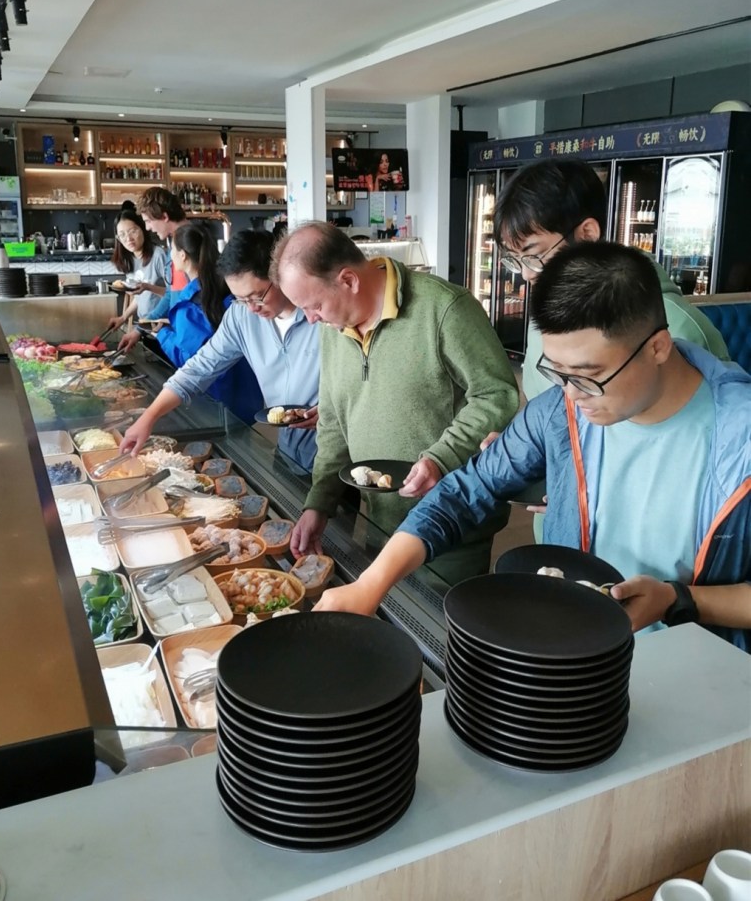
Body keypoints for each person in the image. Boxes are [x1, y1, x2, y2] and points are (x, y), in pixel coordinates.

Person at [315, 242, 751, 653]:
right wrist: (369, 585)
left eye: (587, 376)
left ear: (657, 347)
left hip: (698, 668)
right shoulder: (558, 412)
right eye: (557, 372)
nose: (571, 394)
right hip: (576, 653)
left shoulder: (739, 438)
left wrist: (678, 599)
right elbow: (465, 492)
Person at [272, 221, 520, 589]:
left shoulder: (444, 308)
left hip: (451, 525)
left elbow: (497, 395)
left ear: (348, 280)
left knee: (438, 622)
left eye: (315, 305)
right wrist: (318, 503)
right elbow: (334, 423)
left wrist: (441, 458)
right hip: (380, 520)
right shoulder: (332, 329)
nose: (311, 319)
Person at [489, 158, 730, 533]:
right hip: (562, 530)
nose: (526, 274)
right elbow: (559, 420)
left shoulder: (678, 329)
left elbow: (702, 462)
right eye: (514, 259)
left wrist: (587, 487)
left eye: (534, 255)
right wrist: (526, 452)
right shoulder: (551, 314)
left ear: (587, 233)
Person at [120, 230, 320, 471]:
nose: (252, 308)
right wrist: (149, 417)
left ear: (280, 275)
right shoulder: (241, 315)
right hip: (288, 451)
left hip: (333, 454)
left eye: (257, 296)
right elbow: (198, 369)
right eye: (241, 299)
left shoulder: (321, 316)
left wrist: (330, 412)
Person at [151, 220, 262, 425]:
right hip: (249, 399)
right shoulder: (228, 291)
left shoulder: (189, 306)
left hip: (217, 404)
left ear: (182, 255)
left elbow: (190, 360)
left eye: (172, 250)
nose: (170, 255)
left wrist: (162, 334)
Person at [116, 187, 190, 354]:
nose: (148, 228)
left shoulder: (190, 244)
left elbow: (195, 300)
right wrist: (139, 329)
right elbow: (171, 294)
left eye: (148, 221)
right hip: (181, 336)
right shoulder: (175, 245)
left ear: (164, 216)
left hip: (191, 340)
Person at [106, 208, 168, 330]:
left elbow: (175, 293)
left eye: (132, 231)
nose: (128, 238)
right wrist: (123, 318)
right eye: (122, 235)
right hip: (145, 323)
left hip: (163, 323)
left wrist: (148, 287)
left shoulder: (158, 255)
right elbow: (140, 297)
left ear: (143, 228)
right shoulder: (130, 259)